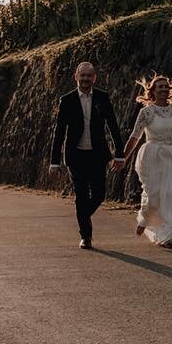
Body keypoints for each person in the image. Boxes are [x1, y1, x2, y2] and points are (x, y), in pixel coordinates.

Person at [49, 61, 124, 249]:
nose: (85, 79)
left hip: (98, 155)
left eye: (89, 76)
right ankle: (86, 236)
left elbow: (113, 126)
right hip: (76, 156)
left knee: (99, 195)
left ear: (94, 78)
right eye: (82, 75)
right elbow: (59, 132)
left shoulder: (102, 98)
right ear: (76, 76)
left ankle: (82, 214)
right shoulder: (67, 100)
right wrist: (54, 161)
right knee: (81, 196)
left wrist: (119, 154)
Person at [121, 74, 172, 246]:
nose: (164, 89)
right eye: (160, 87)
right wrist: (123, 158)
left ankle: (169, 233)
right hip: (152, 156)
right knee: (154, 195)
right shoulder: (146, 112)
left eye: (166, 87)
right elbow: (135, 137)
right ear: (153, 91)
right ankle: (144, 219)